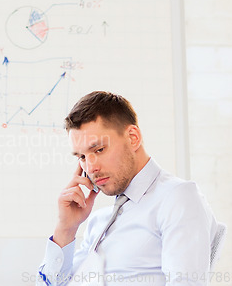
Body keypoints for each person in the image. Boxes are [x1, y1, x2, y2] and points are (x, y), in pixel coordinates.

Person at [37, 91, 217, 286]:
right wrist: (66, 229)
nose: (90, 168)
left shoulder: (177, 197)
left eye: (99, 150)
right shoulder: (98, 221)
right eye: (82, 157)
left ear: (133, 138)